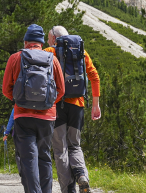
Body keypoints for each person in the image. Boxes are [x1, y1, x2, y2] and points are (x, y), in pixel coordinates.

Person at [2, 24, 65, 193]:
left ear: (25, 42)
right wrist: (48, 103)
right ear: (41, 42)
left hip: (23, 116)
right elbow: (61, 89)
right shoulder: (52, 59)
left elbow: (6, 89)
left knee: (28, 158)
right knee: (44, 156)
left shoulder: (15, 58)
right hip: (47, 117)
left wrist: (19, 101)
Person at [44, 26, 102, 193]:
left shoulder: (50, 51)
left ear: (55, 39)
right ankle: (82, 175)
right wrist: (95, 105)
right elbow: (94, 77)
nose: (49, 41)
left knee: (60, 148)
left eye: (49, 38)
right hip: (77, 105)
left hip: (57, 105)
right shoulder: (82, 52)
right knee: (75, 146)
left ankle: (69, 189)